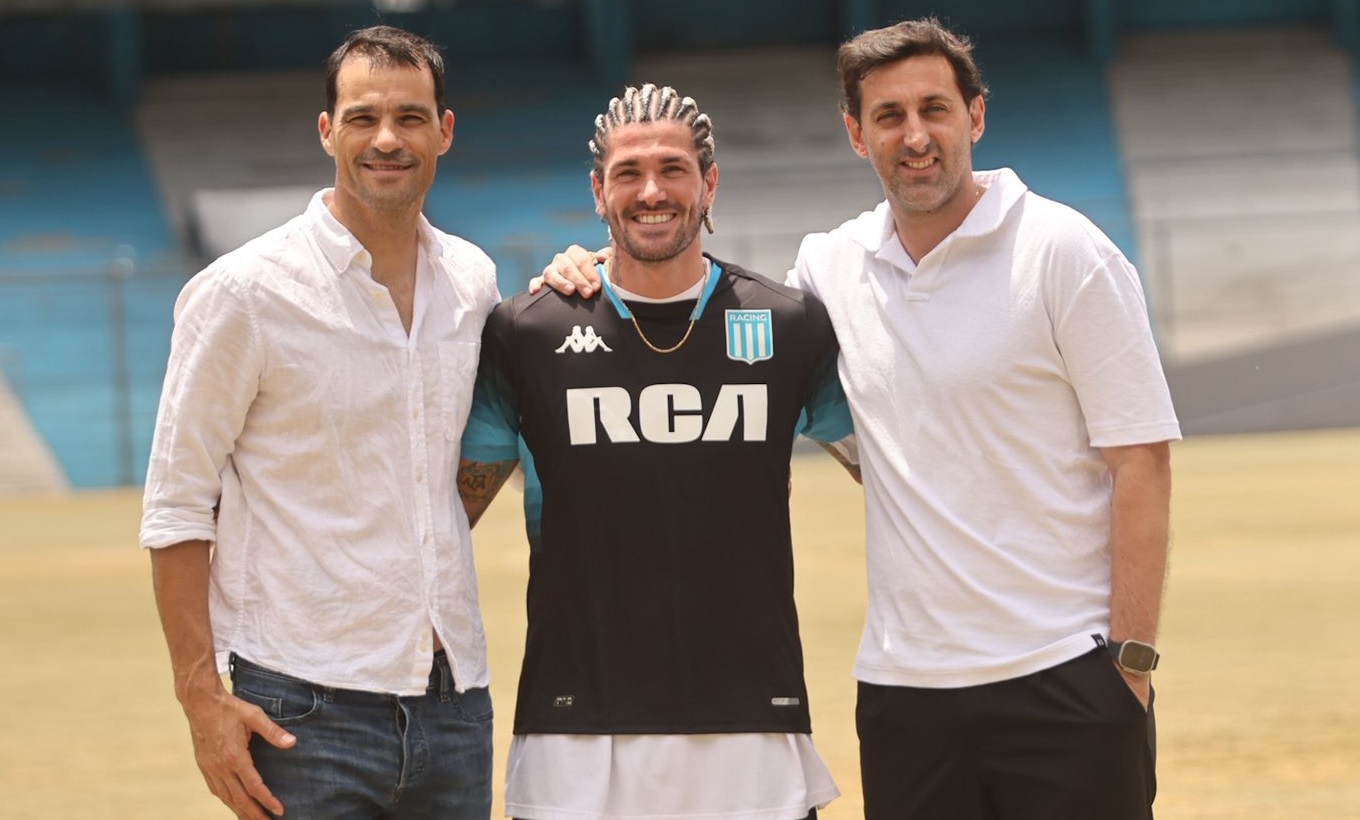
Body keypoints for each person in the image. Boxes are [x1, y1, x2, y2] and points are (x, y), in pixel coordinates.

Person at [539, 17, 1181, 820]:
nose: (914, 136)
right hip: (905, 695)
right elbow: (703, 310)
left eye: (934, 110)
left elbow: (1142, 462)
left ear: (974, 116)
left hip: (1063, 676)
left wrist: (1129, 663)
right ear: (855, 133)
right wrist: (598, 261)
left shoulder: (1064, 253)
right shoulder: (828, 269)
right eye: (888, 116)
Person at [456, 83, 855, 820]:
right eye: (628, 172)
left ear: (709, 183)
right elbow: (450, 512)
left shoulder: (790, 324)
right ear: (597, 189)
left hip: (752, 730)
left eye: (673, 169)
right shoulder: (527, 333)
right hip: (574, 735)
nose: (651, 191)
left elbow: (903, 475)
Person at [139, 25, 500, 820]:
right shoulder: (243, 293)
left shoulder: (474, 284)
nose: (386, 139)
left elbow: (460, 461)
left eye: (410, 118)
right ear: (327, 129)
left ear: (444, 131)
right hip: (303, 714)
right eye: (363, 116)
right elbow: (175, 506)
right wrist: (203, 702)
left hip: (455, 704)